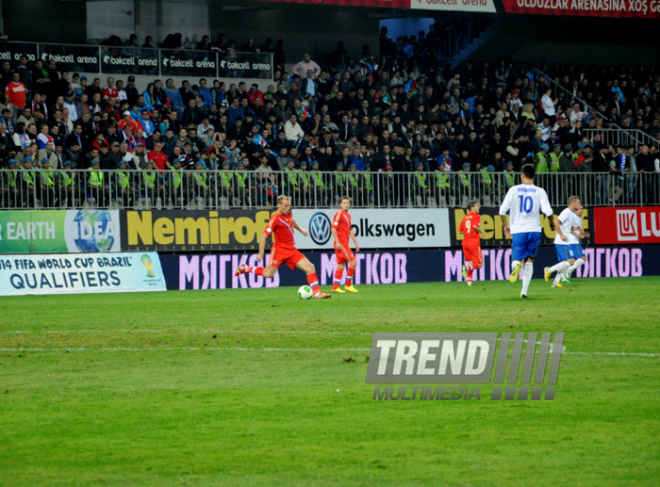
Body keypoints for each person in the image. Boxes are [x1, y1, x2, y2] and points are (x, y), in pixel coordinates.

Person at [236, 195, 331, 299]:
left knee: (310, 267)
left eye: (289, 206)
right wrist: (261, 253)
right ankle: (246, 268)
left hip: (291, 250)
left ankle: (317, 294)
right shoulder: (275, 219)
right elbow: (264, 236)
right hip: (279, 251)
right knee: (268, 274)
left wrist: (301, 230)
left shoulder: (288, 214)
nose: (287, 208)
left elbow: (291, 221)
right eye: (285, 206)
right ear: (279, 205)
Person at [499, 163, 554, 298]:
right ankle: (524, 292)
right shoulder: (540, 191)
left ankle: (516, 266)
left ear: (522, 175)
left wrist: (505, 225)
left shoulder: (514, 190)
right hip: (535, 229)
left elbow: (502, 210)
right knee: (530, 259)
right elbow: (548, 211)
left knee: (518, 259)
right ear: (533, 176)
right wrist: (551, 222)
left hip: (519, 229)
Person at [543, 196, 581, 288]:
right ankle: (549, 270)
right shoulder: (566, 212)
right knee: (571, 262)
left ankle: (555, 283)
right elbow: (556, 222)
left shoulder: (571, 214)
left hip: (565, 241)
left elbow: (566, 226)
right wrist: (561, 235)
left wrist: (575, 228)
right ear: (573, 203)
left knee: (566, 263)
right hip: (562, 241)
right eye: (578, 203)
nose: (579, 205)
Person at [330, 197, 360, 293]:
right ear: (340, 204)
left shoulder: (348, 216)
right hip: (341, 244)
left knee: (341, 265)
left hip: (344, 243)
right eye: (344, 203)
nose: (346, 204)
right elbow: (333, 228)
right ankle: (348, 285)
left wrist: (355, 242)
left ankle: (335, 287)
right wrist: (337, 241)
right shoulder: (339, 214)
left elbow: (350, 230)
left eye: (348, 203)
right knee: (353, 262)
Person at [458, 200, 485, 286]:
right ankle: (466, 268)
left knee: (471, 262)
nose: (478, 207)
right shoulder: (477, 216)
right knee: (479, 264)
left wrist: (468, 233)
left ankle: (469, 280)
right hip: (474, 242)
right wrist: (482, 232)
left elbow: (460, 231)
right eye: (477, 206)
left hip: (465, 243)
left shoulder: (465, 217)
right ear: (472, 208)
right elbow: (475, 226)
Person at [563, 204, 590, 281]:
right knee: (583, 258)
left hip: (574, 240)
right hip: (573, 241)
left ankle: (563, 278)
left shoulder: (578, 218)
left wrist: (583, 234)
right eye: (579, 209)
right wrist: (576, 234)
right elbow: (568, 228)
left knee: (572, 261)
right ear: (576, 210)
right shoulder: (573, 217)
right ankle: (568, 271)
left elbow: (576, 229)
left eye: (582, 209)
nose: (581, 210)